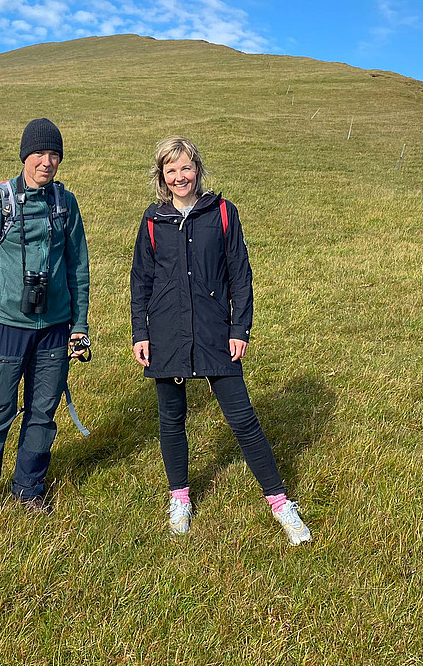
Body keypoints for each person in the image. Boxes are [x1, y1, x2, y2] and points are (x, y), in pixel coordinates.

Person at [130, 136, 311, 545]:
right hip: (166, 333)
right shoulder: (152, 220)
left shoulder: (223, 213)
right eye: (171, 170)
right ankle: (180, 499)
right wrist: (140, 333)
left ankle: (281, 503)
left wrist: (239, 329)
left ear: (198, 169)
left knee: (243, 419)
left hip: (215, 332)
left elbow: (240, 275)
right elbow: (141, 279)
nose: (180, 177)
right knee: (171, 420)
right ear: (162, 176)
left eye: (186, 168)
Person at [0, 118, 90, 523]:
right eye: (39, 154)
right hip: (4, 328)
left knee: (43, 415)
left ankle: (29, 490)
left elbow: (78, 268)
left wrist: (79, 326)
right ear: (24, 156)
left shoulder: (66, 204)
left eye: (54, 155)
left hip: (54, 330)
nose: (46, 162)